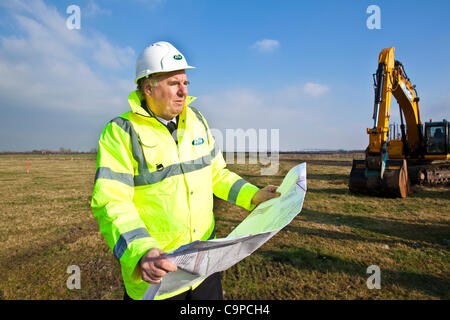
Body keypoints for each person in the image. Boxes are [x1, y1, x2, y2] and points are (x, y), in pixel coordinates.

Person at [91, 41, 280, 300]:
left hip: (203, 267)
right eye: (173, 84)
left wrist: (253, 196)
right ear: (148, 88)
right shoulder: (120, 132)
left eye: (186, 83)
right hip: (159, 275)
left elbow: (217, 174)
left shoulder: (197, 120)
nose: (183, 91)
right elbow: (111, 202)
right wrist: (142, 252)